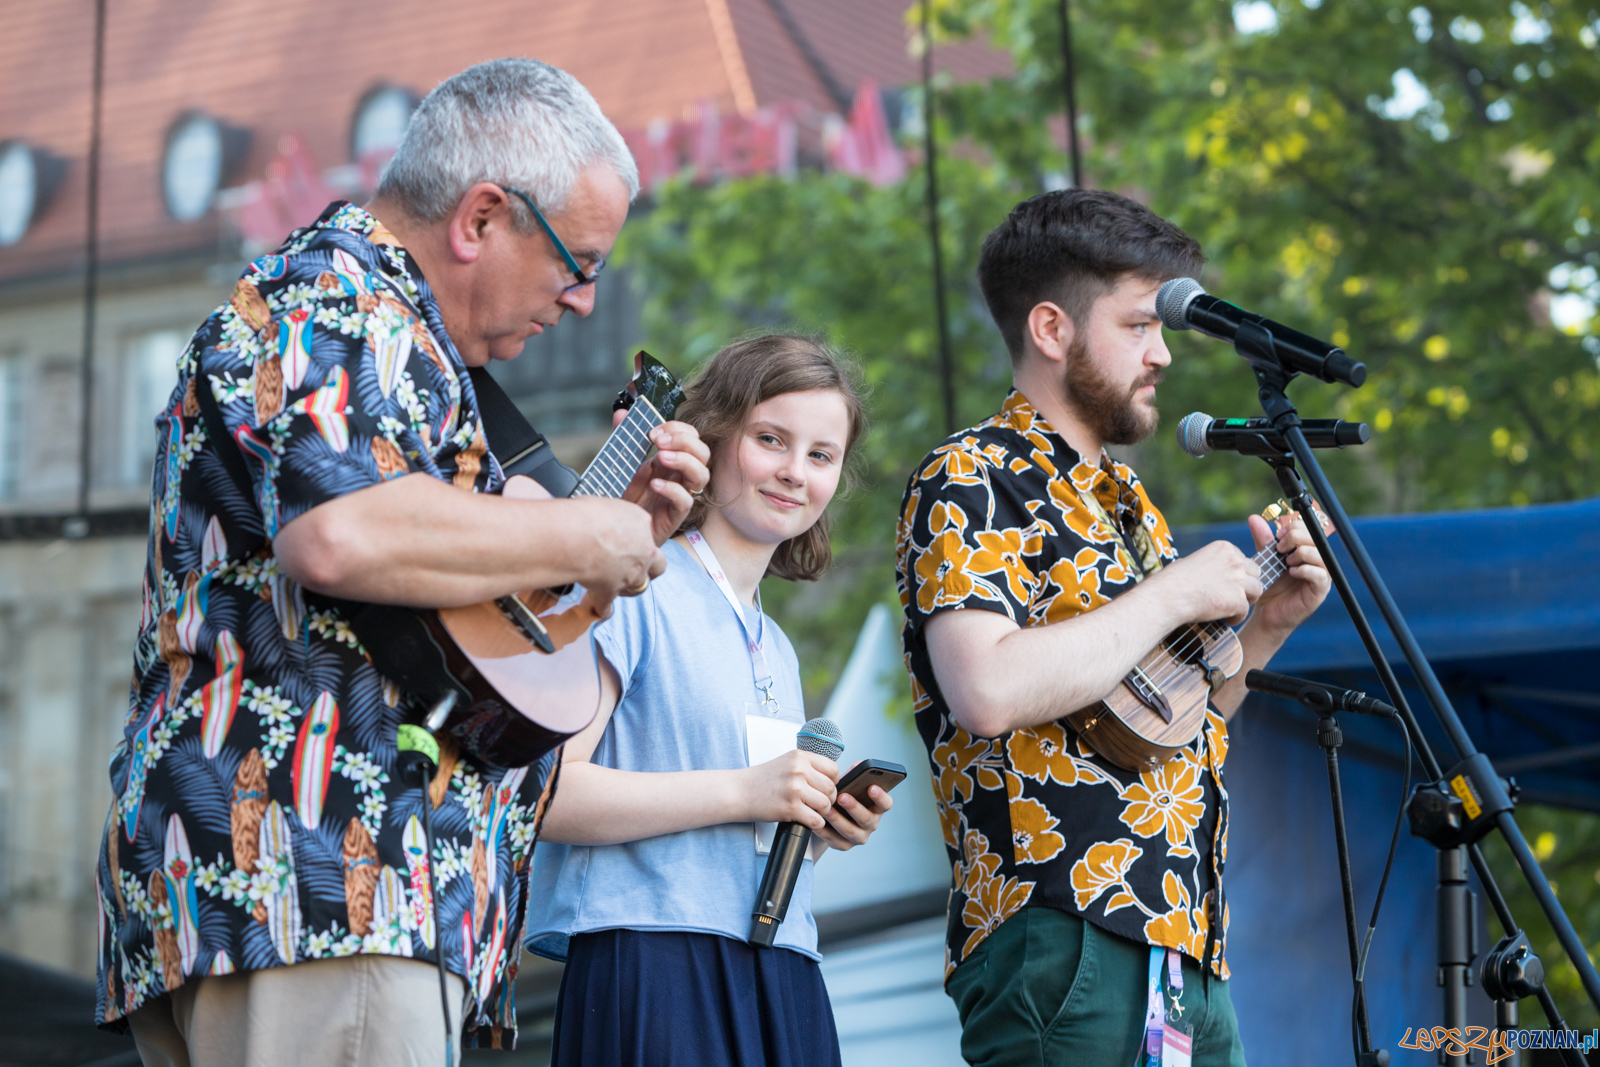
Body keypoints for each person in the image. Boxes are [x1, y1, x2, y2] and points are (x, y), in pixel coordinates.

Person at [96, 58, 709, 1065]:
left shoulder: (400, 341)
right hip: (323, 872)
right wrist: (575, 535)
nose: (585, 301)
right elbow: (340, 530)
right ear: (479, 219)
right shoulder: (336, 301)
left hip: (332, 895)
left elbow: (454, 635)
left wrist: (607, 549)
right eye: (580, 262)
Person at [895, 189, 1332, 1066]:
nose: (1162, 352)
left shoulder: (1133, 509)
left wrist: (1269, 626)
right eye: (1140, 323)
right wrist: (1170, 595)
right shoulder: (971, 474)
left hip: (1187, 944)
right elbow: (986, 689)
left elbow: (1164, 723)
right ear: (1053, 330)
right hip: (1064, 936)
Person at [525, 333, 894, 1067]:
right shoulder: (635, 584)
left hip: (781, 967)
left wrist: (815, 826)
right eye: (770, 439)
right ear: (716, 437)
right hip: (657, 961)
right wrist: (748, 789)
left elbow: (732, 827)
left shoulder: (779, 646)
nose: (795, 472)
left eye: (822, 455)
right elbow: (547, 790)